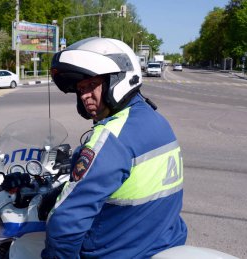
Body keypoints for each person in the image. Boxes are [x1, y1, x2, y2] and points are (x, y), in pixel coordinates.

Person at [41, 37, 187, 259]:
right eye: (80, 90)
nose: (85, 97)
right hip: (162, 239)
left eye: (91, 85)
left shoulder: (111, 136)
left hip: (119, 251)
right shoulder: (154, 120)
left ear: (118, 79)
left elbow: (67, 222)